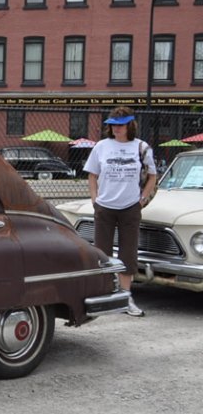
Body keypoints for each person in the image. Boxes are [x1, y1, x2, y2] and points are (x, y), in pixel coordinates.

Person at [83, 106, 157, 317]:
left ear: (129, 125)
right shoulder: (101, 146)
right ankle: (104, 294)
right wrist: (94, 199)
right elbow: (92, 174)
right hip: (105, 207)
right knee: (101, 252)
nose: (117, 129)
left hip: (130, 207)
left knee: (128, 253)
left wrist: (142, 199)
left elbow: (152, 175)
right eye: (113, 125)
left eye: (121, 125)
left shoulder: (141, 147)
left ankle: (125, 296)